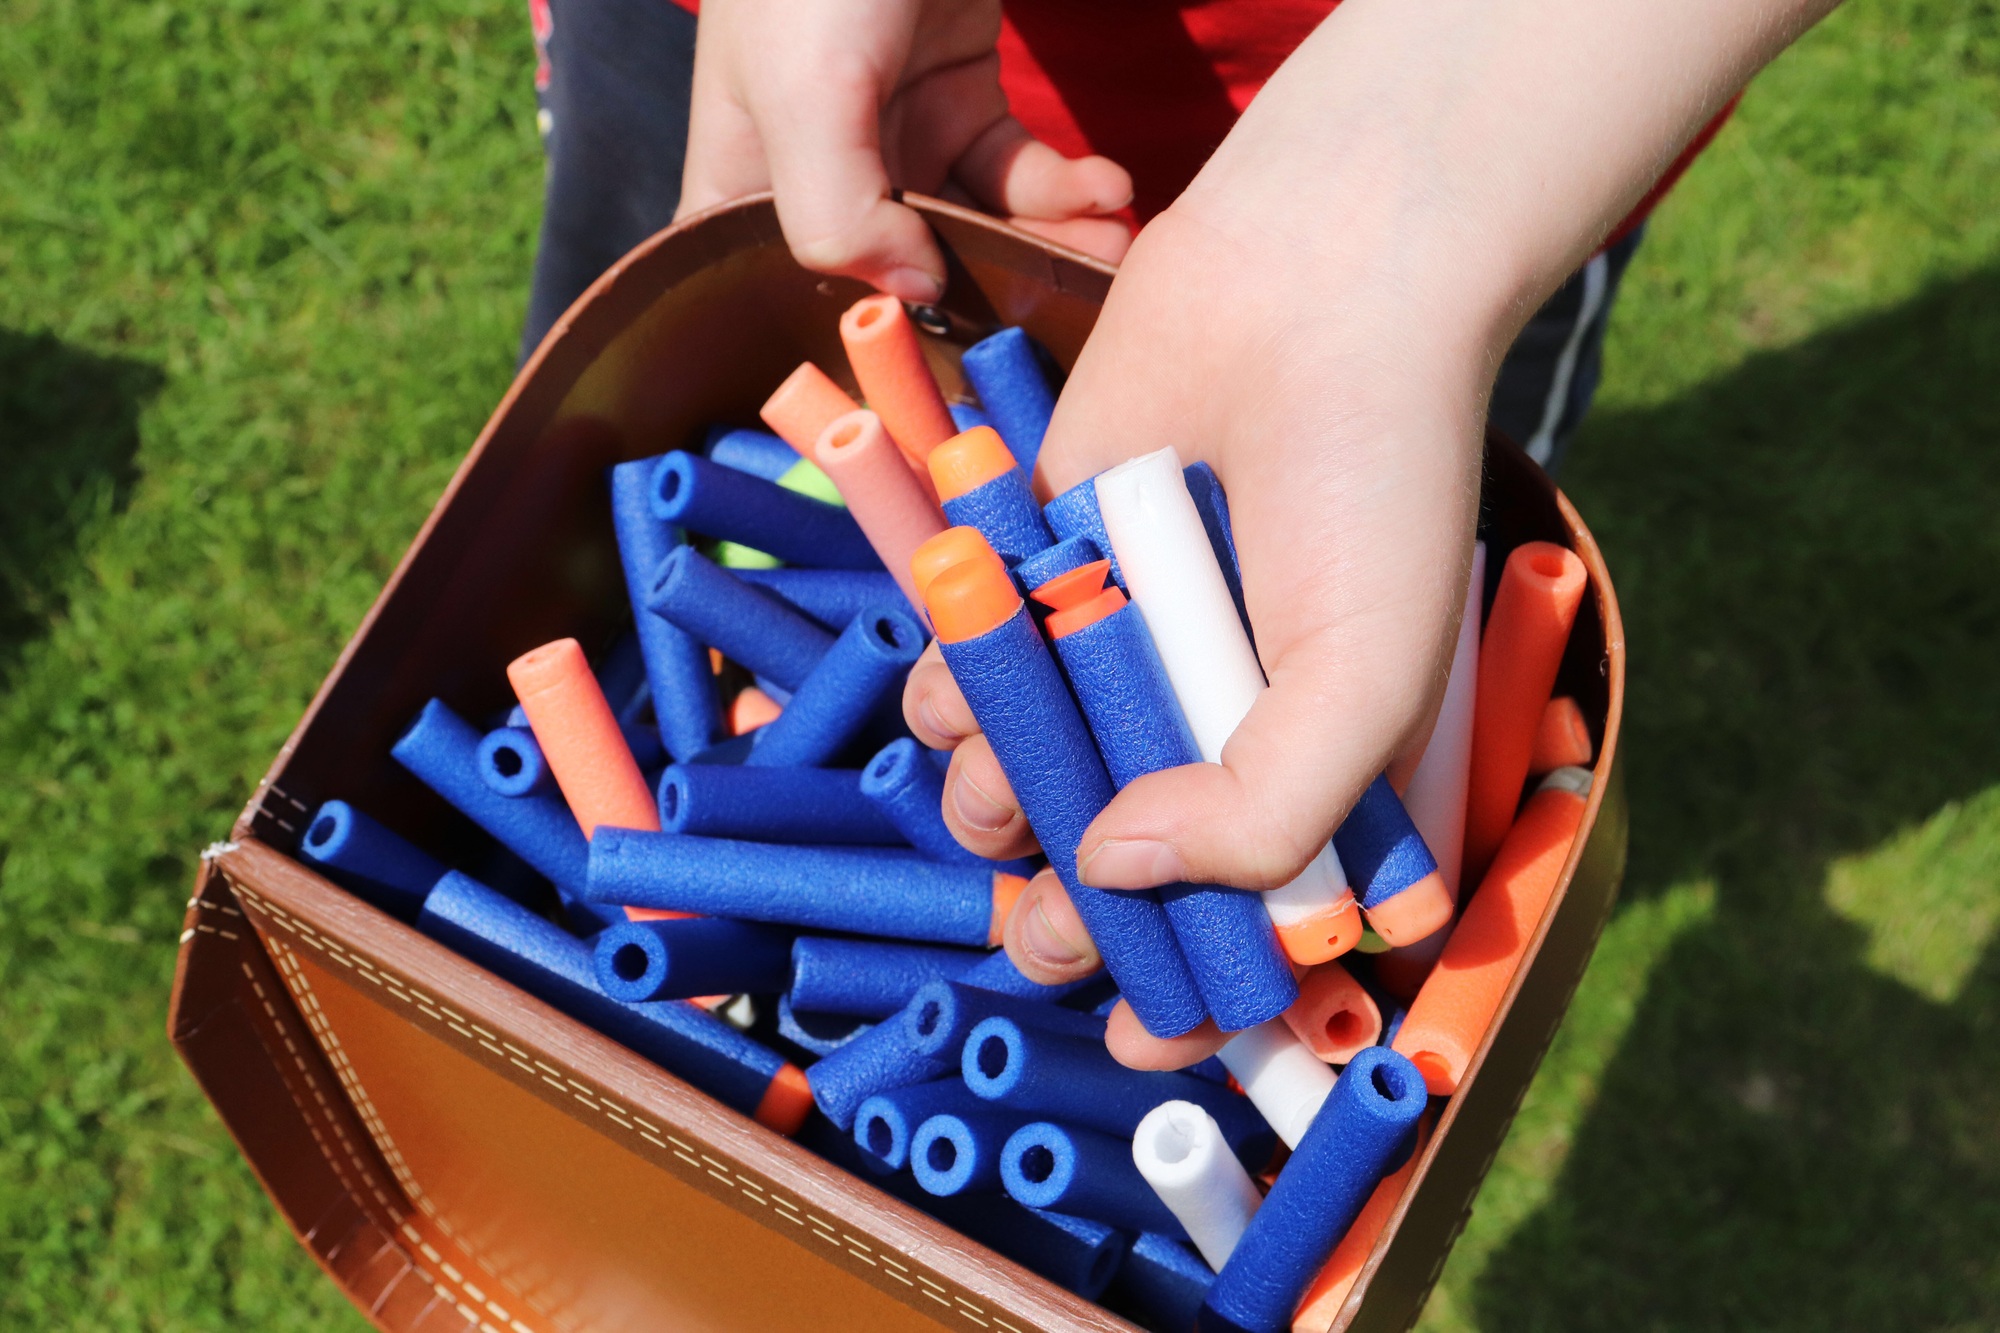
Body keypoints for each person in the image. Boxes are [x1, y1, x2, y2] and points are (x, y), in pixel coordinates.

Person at [523, 0, 1839, 1068]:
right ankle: (626, 885)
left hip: (1527, 94)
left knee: (1373, 600)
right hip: (791, 40)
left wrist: (1401, 204)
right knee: (628, 454)